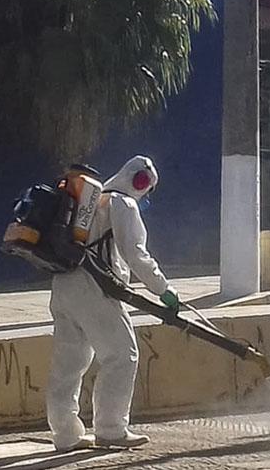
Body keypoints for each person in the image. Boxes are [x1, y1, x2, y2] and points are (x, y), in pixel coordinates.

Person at [46, 155, 180, 451]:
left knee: (68, 365)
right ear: (141, 182)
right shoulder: (123, 204)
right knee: (122, 355)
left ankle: (66, 435)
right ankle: (110, 429)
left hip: (63, 284)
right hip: (95, 289)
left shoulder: (90, 201)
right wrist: (163, 289)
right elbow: (135, 254)